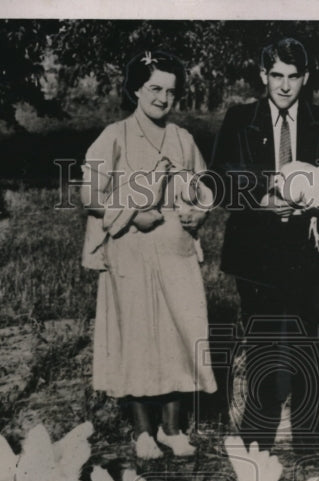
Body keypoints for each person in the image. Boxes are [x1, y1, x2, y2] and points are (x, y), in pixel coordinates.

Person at [210, 37, 319, 462]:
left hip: (311, 250)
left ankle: (308, 433)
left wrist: (316, 200)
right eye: (276, 75)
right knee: (264, 344)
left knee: (311, 342)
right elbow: (220, 181)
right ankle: (259, 435)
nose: (285, 86)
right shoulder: (241, 119)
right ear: (262, 75)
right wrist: (268, 191)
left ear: (305, 78)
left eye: (293, 77)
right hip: (258, 251)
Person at [79, 50, 217, 460]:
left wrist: (200, 210)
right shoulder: (116, 135)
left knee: (179, 332)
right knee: (138, 335)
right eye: (154, 88)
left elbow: (203, 187)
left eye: (170, 91)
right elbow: (89, 194)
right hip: (131, 250)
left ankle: (172, 429)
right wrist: (132, 212)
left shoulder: (182, 138)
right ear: (136, 89)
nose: (162, 98)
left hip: (175, 250)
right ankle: (142, 432)